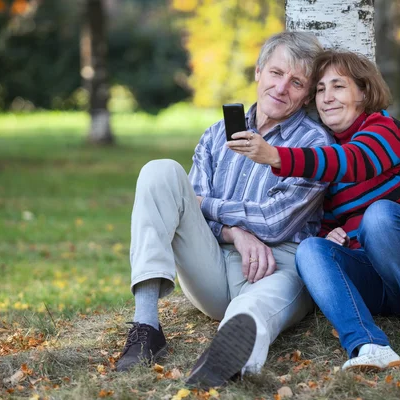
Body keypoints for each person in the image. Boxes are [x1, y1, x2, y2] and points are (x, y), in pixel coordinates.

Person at [117, 31, 335, 388]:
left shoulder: (314, 145)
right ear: (259, 71)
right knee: (159, 172)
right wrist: (234, 232)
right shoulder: (217, 135)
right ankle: (146, 328)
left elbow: (275, 221)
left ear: (308, 94)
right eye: (276, 73)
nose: (282, 88)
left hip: (279, 265)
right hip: (213, 262)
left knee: (253, 310)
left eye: (296, 82)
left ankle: (231, 361)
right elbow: (189, 208)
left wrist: (212, 208)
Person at [227, 49, 400, 372]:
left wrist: (276, 156)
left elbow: (355, 163)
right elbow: (329, 222)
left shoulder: (384, 130)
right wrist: (333, 235)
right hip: (382, 284)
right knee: (310, 249)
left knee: (379, 215)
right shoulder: (330, 156)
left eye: (338, 86)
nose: (327, 98)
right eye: (320, 90)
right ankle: (368, 345)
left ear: (363, 92)